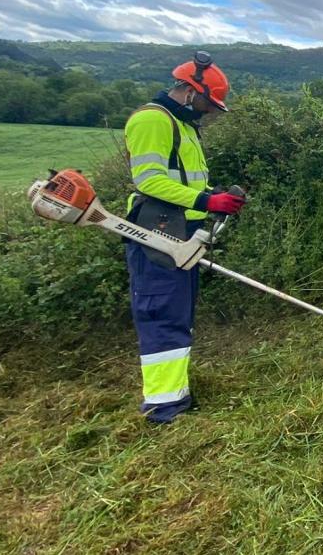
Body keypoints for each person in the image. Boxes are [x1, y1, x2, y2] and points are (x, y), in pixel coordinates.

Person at [123, 51, 246, 423]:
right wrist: (207, 199)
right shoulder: (152, 121)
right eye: (209, 103)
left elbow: (185, 181)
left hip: (183, 229)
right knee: (161, 312)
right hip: (158, 230)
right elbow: (149, 181)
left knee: (177, 312)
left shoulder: (184, 126)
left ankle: (176, 394)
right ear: (190, 91)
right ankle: (164, 407)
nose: (210, 111)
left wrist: (215, 198)